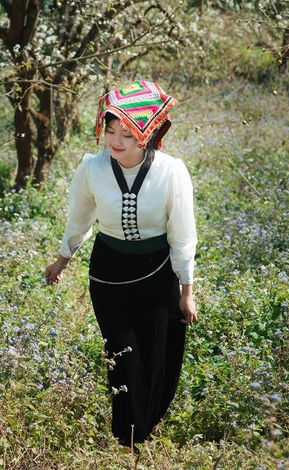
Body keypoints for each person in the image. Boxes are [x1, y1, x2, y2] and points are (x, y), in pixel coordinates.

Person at [44, 80, 198, 450]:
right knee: (124, 356)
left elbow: (183, 234)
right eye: (111, 132)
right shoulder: (92, 169)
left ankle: (145, 426)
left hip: (158, 274)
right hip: (109, 274)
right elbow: (79, 218)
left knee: (159, 356)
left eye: (126, 135)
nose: (116, 142)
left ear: (146, 135)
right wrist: (62, 259)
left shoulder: (170, 171)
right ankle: (128, 440)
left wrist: (187, 290)